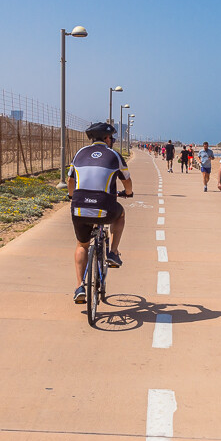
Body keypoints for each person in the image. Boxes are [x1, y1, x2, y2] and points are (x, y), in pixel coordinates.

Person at [67, 121, 133, 304]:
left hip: (79, 206)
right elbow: (127, 181)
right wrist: (128, 193)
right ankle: (112, 252)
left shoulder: (80, 153)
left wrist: (71, 196)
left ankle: (80, 286)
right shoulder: (114, 155)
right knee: (120, 214)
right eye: (111, 138)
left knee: (82, 244)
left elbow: (70, 180)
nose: (112, 140)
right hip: (104, 208)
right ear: (106, 138)